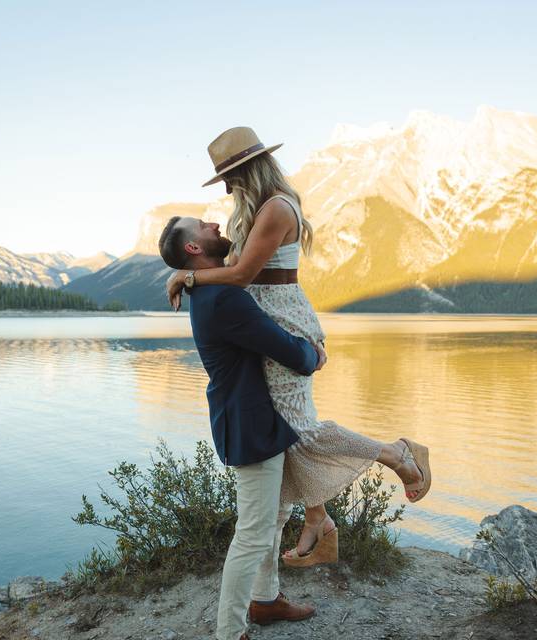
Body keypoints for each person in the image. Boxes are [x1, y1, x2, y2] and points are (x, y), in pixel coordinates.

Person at [165, 126, 431, 567]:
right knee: (282, 430)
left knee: (300, 431)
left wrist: (186, 276)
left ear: (248, 169)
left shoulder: (275, 209)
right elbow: (236, 271)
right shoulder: (256, 209)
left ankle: (397, 455)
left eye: (230, 176)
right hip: (265, 320)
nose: (228, 187)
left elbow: (241, 274)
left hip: (282, 321)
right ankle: (318, 521)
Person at [157, 217, 323, 640]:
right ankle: (230, 633)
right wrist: (314, 355)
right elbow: (286, 351)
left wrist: (186, 276)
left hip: (253, 418)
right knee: (251, 534)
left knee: (275, 517)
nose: (214, 223)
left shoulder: (209, 288)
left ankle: (266, 601)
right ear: (194, 248)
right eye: (203, 226)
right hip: (250, 424)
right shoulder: (223, 299)